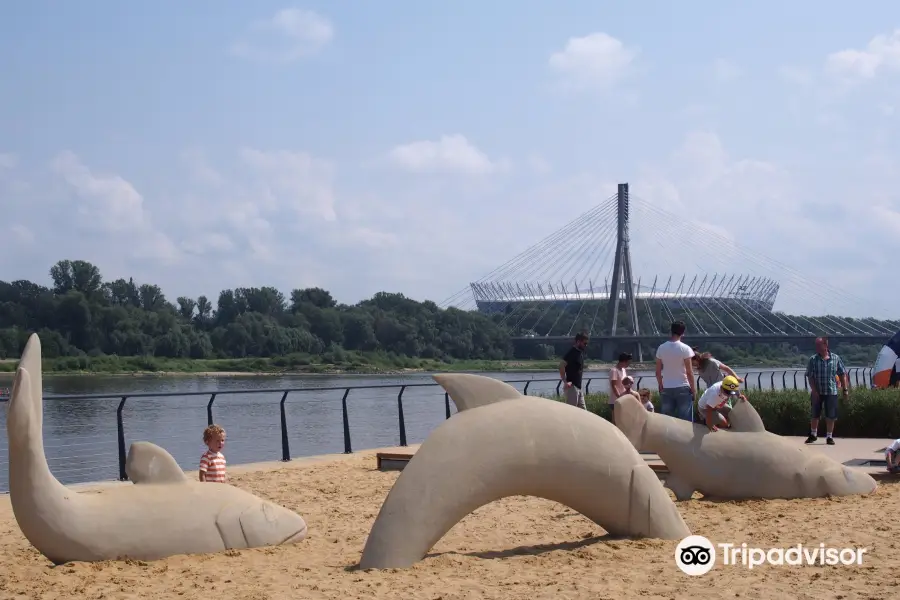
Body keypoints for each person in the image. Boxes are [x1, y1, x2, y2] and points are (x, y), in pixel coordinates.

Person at [804, 336, 848, 446]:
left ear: (825, 345)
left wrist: (845, 389)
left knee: (831, 415)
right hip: (817, 391)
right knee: (815, 414)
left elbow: (842, 374)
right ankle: (813, 434)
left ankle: (829, 436)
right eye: (816, 345)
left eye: (819, 345)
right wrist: (814, 390)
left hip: (831, 391)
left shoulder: (835, 358)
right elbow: (810, 376)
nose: (817, 347)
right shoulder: (813, 360)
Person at [655, 321, 696, 421]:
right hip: (683, 387)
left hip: (667, 387)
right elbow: (689, 372)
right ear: (683, 333)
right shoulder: (685, 349)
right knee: (685, 420)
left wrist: (661, 385)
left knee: (667, 420)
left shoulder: (661, 348)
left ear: (671, 331)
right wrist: (693, 389)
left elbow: (658, 371)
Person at [559, 332, 588, 410]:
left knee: (584, 412)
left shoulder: (580, 353)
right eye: (584, 343)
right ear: (578, 341)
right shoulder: (572, 352)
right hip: (572, 387)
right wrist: (565, 381)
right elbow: (561, 365)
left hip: (578, 387)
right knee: (571, 411)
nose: (586, 345)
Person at [608, 352, 633, 421]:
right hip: (615, 400)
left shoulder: (623, 370)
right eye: (628, 363)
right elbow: (614, 385)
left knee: (623, 420)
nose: (628, 365)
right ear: (624, 361)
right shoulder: (614, 371)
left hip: (624, 398)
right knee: (616, 420)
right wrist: (619, 397)